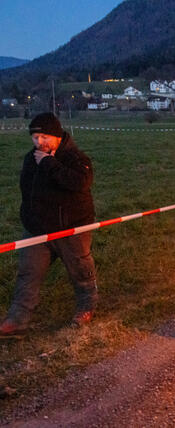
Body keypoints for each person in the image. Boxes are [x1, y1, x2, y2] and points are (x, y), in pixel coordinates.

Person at [0, 113, 98, 337]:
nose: (39, 142)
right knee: (28, 272)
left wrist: (49, 164)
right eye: (35, 137)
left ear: (56, 136)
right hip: (37, 230)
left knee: (81, 271)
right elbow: (27, 189)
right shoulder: (30, 158)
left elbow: (80, 183)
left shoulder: (76, 158)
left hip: (71, 228)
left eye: (44, 137)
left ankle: (86, 307)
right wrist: (29, 216)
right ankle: (17, 320)